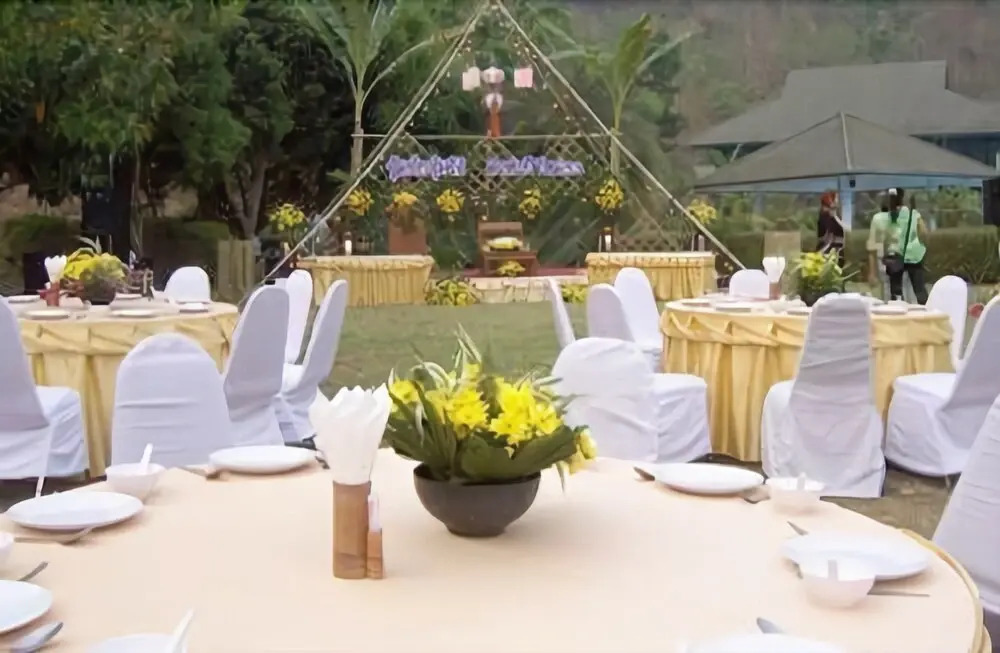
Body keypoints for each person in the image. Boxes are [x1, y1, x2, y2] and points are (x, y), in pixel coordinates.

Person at [867, 188, 928, 303]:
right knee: (919, 290)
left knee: (896, 291)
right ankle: (925, 309)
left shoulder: (880, 218)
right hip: (914, 255)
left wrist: (872, 273)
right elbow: (923, 233)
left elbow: (872, 246)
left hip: (895, 257)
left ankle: (897, 305)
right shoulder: (913, 214)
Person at [816, 191, 845, 267]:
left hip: (835, 250)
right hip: (829, 252)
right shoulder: (826, 217)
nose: (838, 201)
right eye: (836, 199)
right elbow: (825, 237)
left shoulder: (834, 216)